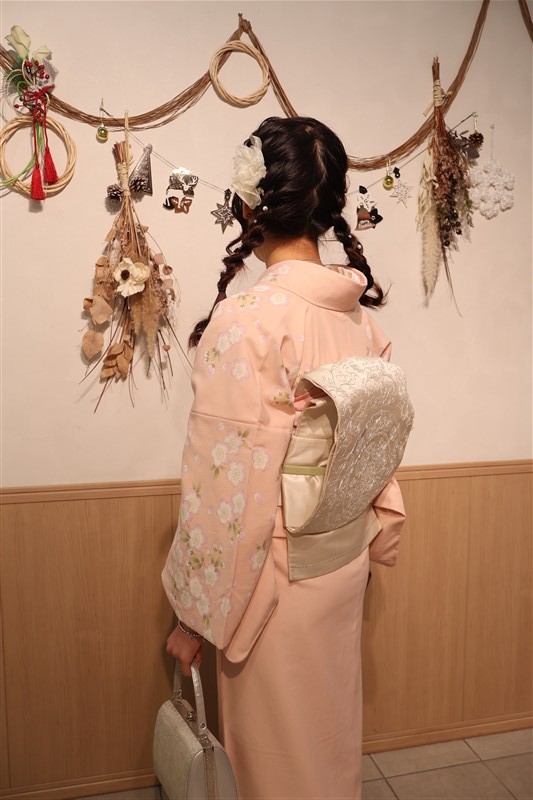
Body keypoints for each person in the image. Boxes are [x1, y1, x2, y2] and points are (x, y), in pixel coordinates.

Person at [162, 116, 407, 800]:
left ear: (251, 204)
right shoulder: (356, 318)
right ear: (328, 209)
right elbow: (376, 450)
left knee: (274, 761)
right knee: (326, 739)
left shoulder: (248, 320)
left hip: (271, 583)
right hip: (341, 564)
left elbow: (223, 484)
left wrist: (192, 617)